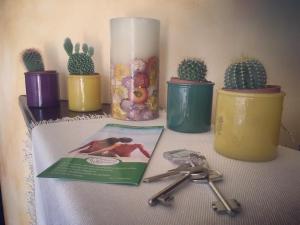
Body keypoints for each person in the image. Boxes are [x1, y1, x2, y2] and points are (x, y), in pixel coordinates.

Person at [70, 137, 150, 158]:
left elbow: (144, 152)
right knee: (109, 152)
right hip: (113, 152)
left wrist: (149, 157)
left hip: (118, 153)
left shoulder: (137, 145)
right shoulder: (117, 145)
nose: (125, 144)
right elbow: (106, 149)